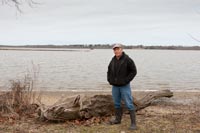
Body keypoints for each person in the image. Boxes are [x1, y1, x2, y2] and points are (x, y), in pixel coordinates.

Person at [107, 43, 137, 130]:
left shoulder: (127, 59)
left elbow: (134, 71)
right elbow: (108, 71)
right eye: (115, 49)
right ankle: (117, 120)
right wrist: (109, 80)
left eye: (118, 49)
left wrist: (126, 80)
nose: (116, 51)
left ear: (121, 49)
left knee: (129, 103)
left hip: (124, 86)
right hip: (115, 86)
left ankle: (133, 124)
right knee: (116, 103)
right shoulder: (113, 60)